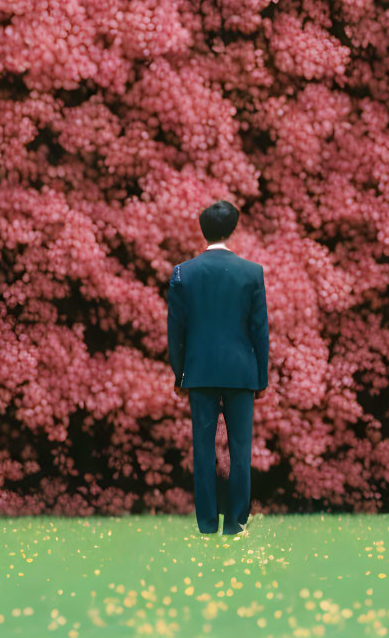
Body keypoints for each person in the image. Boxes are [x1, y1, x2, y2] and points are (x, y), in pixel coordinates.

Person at [167, 200, 269, 536]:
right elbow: (259, 329)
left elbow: (176, 330)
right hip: (241, 372)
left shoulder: (184, 272)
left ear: (203, 230)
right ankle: (236, 523)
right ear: (233, 228)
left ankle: (207, 524)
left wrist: (179, 372)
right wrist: (262, 377)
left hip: (199, 372)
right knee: (240, 451)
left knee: (203, 450)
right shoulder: (251, 272)